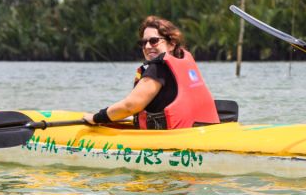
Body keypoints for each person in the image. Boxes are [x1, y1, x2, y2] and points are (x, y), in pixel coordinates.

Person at [84, 15, 220, 130]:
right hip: (198, 130)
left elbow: (130, 106)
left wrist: (97, 117)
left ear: (172, 43)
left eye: (154, 41)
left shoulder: (158, 68)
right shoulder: (182, 62)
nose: (148, 46)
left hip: (174, 138)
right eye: (143, 42)